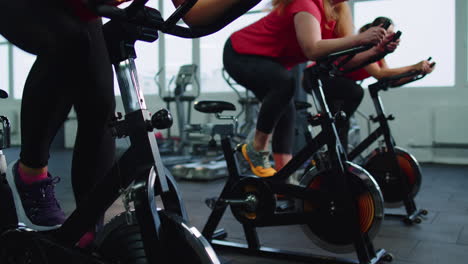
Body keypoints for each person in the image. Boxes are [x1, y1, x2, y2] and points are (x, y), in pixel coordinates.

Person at [0, 0, 263, 247]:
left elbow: (193, 12)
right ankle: (30, 174)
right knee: (70, 41)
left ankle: (87, 227)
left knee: (101, 108)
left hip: (83, 11)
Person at [223, 0, 397, 177]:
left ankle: (283, 177)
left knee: (286, 111)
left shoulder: (336, 14)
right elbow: (312, 49)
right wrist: (361, 38)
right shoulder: (307, 3)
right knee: (284, 84)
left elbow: (340, 62)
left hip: (272, 62)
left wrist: (377, 52)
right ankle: (256, 148)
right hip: (240, 53)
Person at [322, 16, 435, 152]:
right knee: (340, 126)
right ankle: (333, 167)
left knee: (341, 127)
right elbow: (379, 74)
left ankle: (338, 165)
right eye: (387, 33)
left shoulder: (380, 54)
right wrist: (414, 67)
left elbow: (389, 79)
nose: (391, 37)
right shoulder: (364, 47)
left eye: (393, 34)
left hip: (344, 87)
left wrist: (418, 73)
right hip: (325, 79)